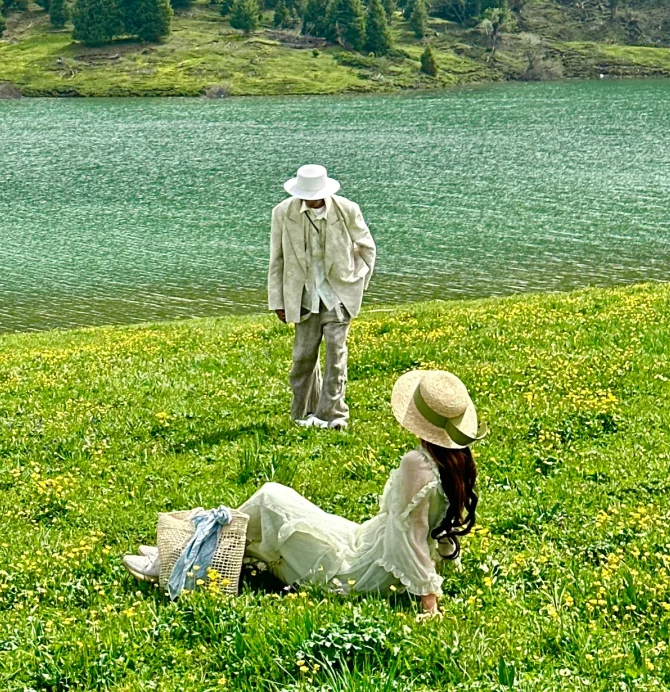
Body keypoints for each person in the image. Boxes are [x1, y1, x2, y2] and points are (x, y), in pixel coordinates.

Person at [124, 368, 483, 616]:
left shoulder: (416, 465)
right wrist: (447, 564)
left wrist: (428, 604)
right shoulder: (455, 463)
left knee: (269, 498)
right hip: (363, 543)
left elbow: (413, 538)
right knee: (274, 505)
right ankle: (187, 545)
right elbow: (437, 531)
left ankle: (178, 560)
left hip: (356, 570)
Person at [268, 163, 376, 429]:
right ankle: (302, 414)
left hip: (338, 296)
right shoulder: (282, 213)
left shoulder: (347, 209)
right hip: (303, 297)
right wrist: (278, 301)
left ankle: (334, 416)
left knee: (335, 357)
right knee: (302, 357)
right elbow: (276, 260)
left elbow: (367, 248)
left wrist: (357, 282)